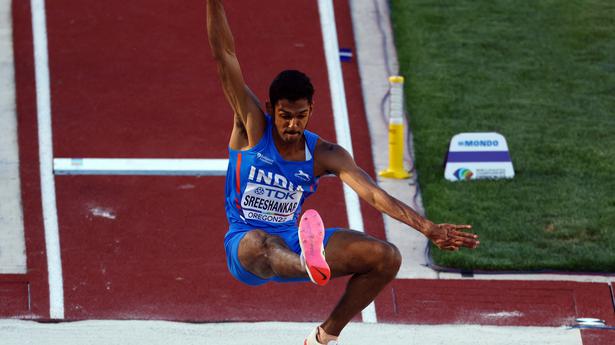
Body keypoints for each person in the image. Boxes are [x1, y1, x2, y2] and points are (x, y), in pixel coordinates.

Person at [206, 1, 480, 344]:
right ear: (269, 109)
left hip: (296, 241)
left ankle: (323, 337)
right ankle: (309, 263)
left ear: (312, 109)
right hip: (245, 245)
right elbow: (224, 55)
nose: (293, 124)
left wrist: (428, 228)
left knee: (386, 257)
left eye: (301, 115)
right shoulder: (250, 128)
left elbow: (373, 195)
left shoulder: (325, 154)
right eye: (285, 115)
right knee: (262, 242)